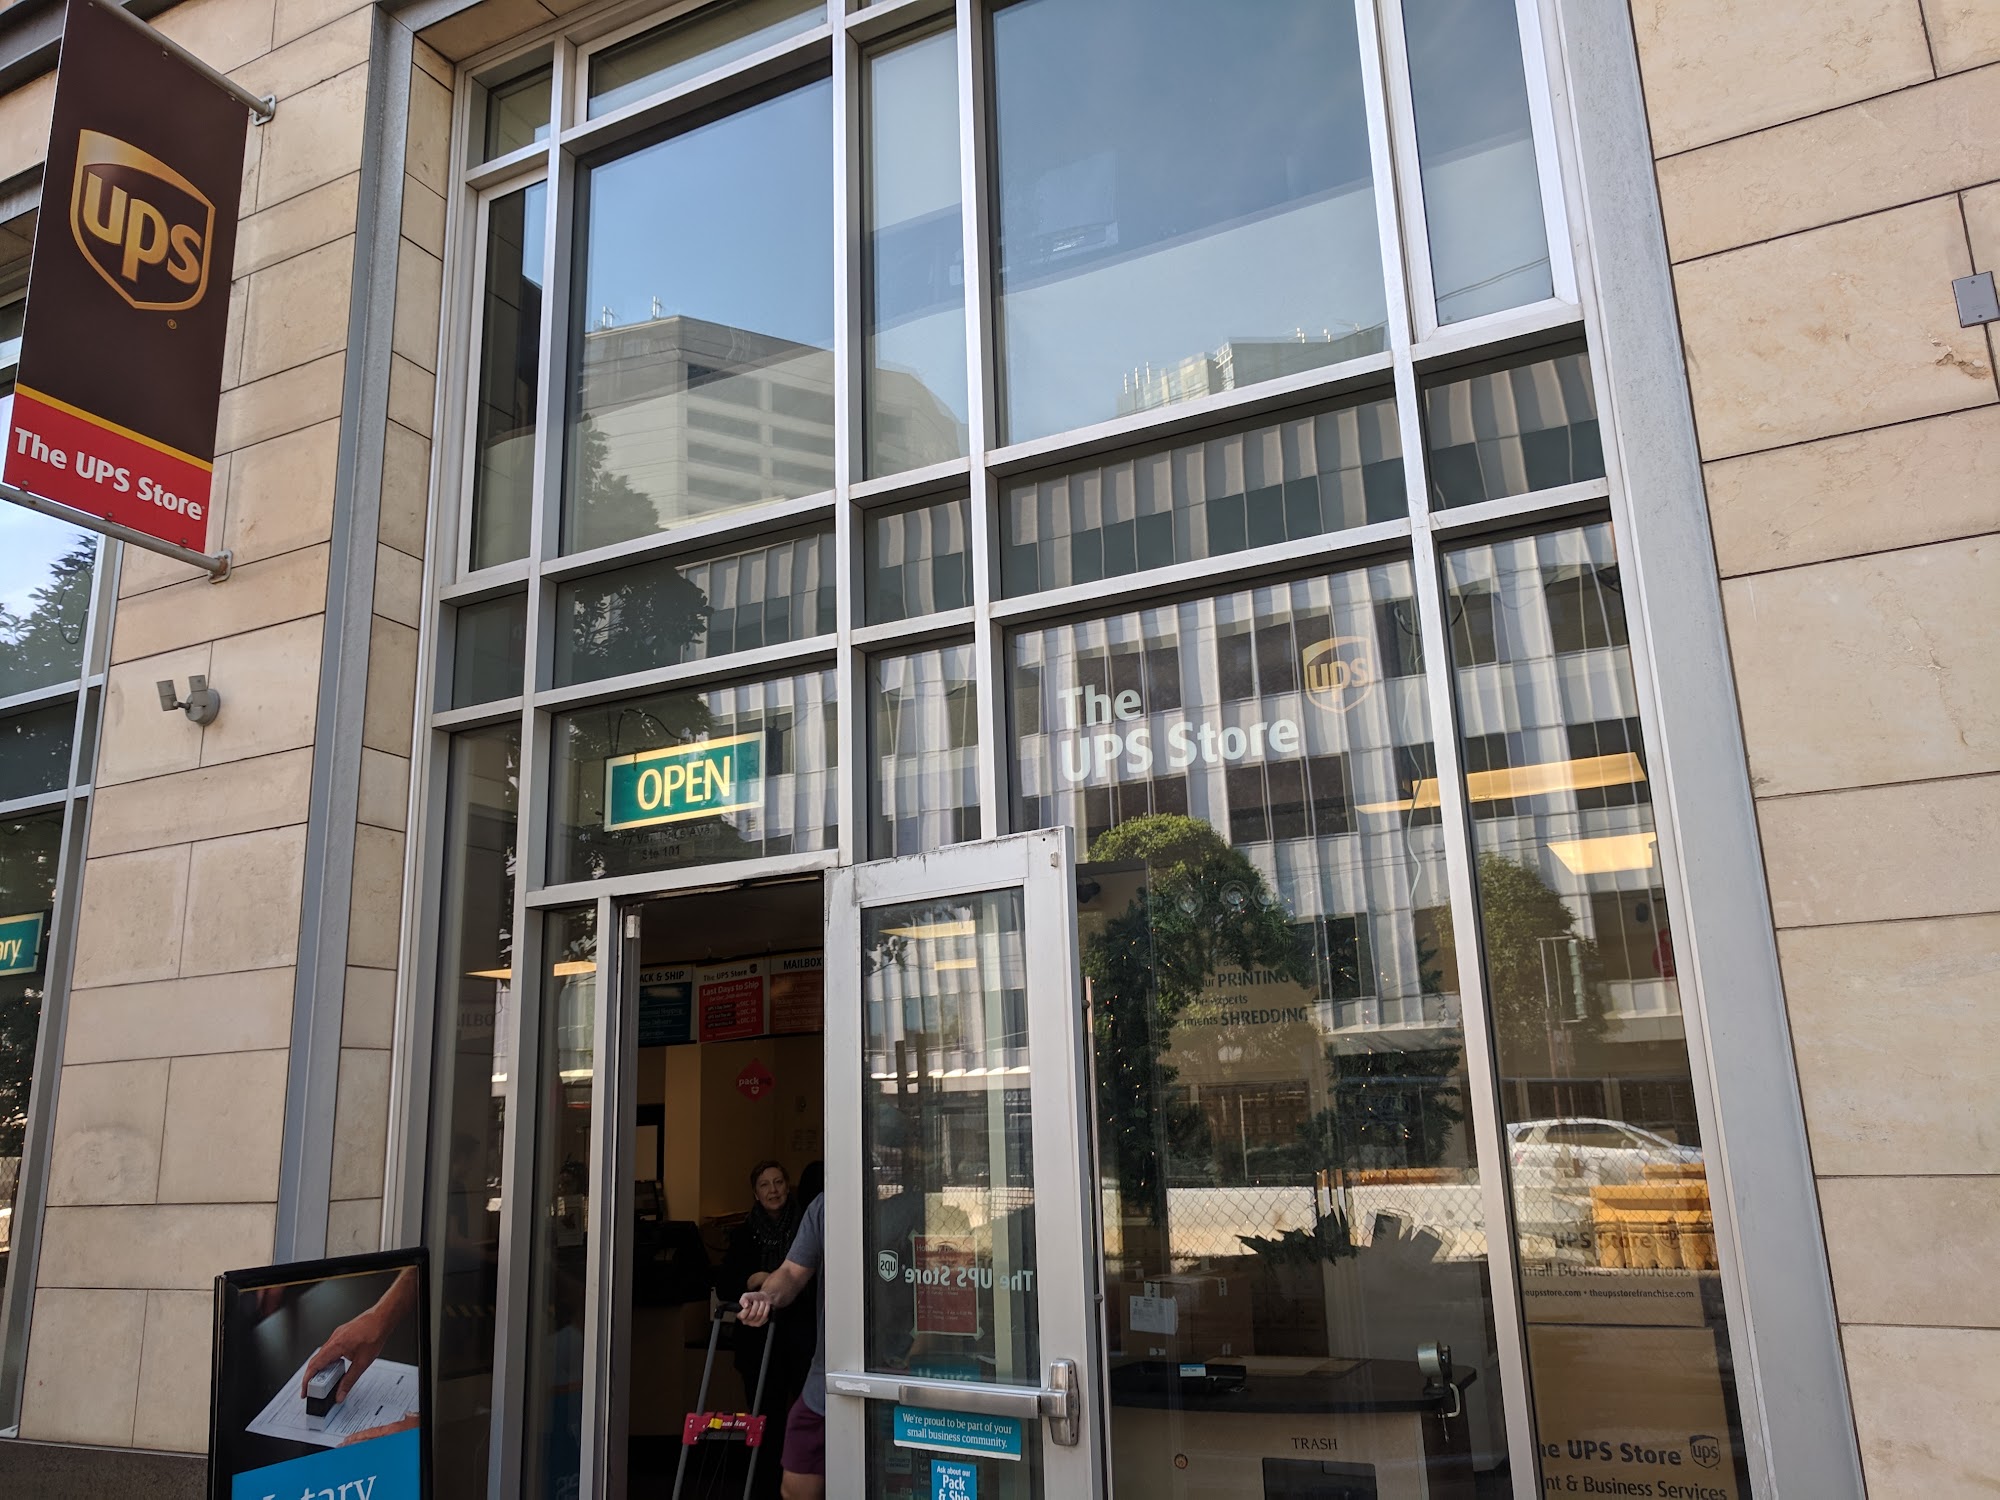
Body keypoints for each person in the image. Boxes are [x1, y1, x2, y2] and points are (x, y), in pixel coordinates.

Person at [716, 1160, 812, 1495]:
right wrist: (754, 1279)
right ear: (755, 1194)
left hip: (802, 1339)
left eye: (778, 1182)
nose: (773, 1190)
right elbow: (726, 1284)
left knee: (804, 1417)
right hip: (758, 1344)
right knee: (765, 1419)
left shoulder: (805, 1225)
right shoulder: (744, 1233)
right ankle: (766, 1489)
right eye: (765, 1185)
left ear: (788, 1185)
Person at [737, 1193, 826, 1500]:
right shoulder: (824, 1206)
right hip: (825, 1379)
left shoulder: (918, 1199)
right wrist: (766, 1297)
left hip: (900, 1373)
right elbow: (790, 1273)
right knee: (795, 1487)